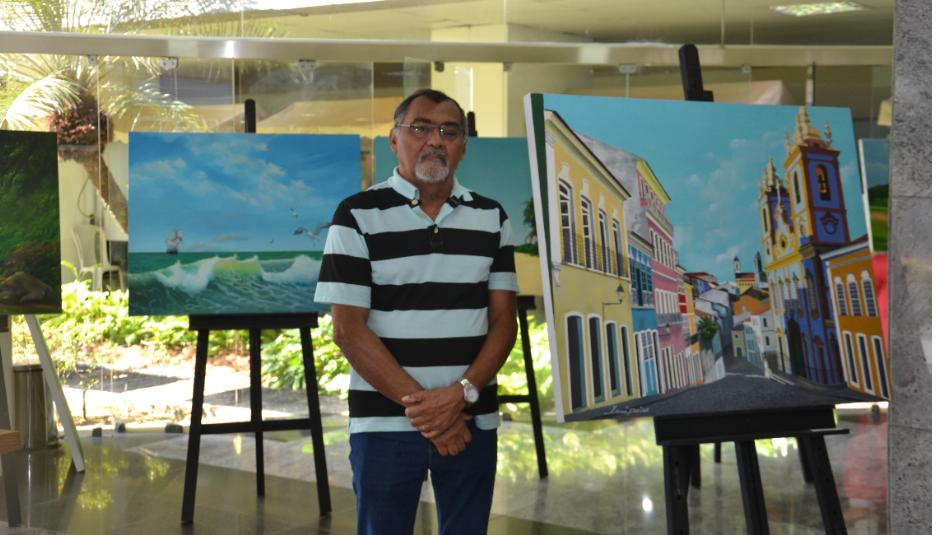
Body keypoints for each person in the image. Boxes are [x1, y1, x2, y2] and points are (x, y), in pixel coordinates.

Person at [314, 88, 518, 535]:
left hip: (471, 420)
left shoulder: (492, 217)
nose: (435, 140)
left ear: (463, 147)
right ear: (394, 139)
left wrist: (460, 396)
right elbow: (348, 331)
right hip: (384, 424)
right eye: (420, 128)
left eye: (449, 131)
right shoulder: (356, 215)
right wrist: (431, 413)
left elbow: (504, 323)